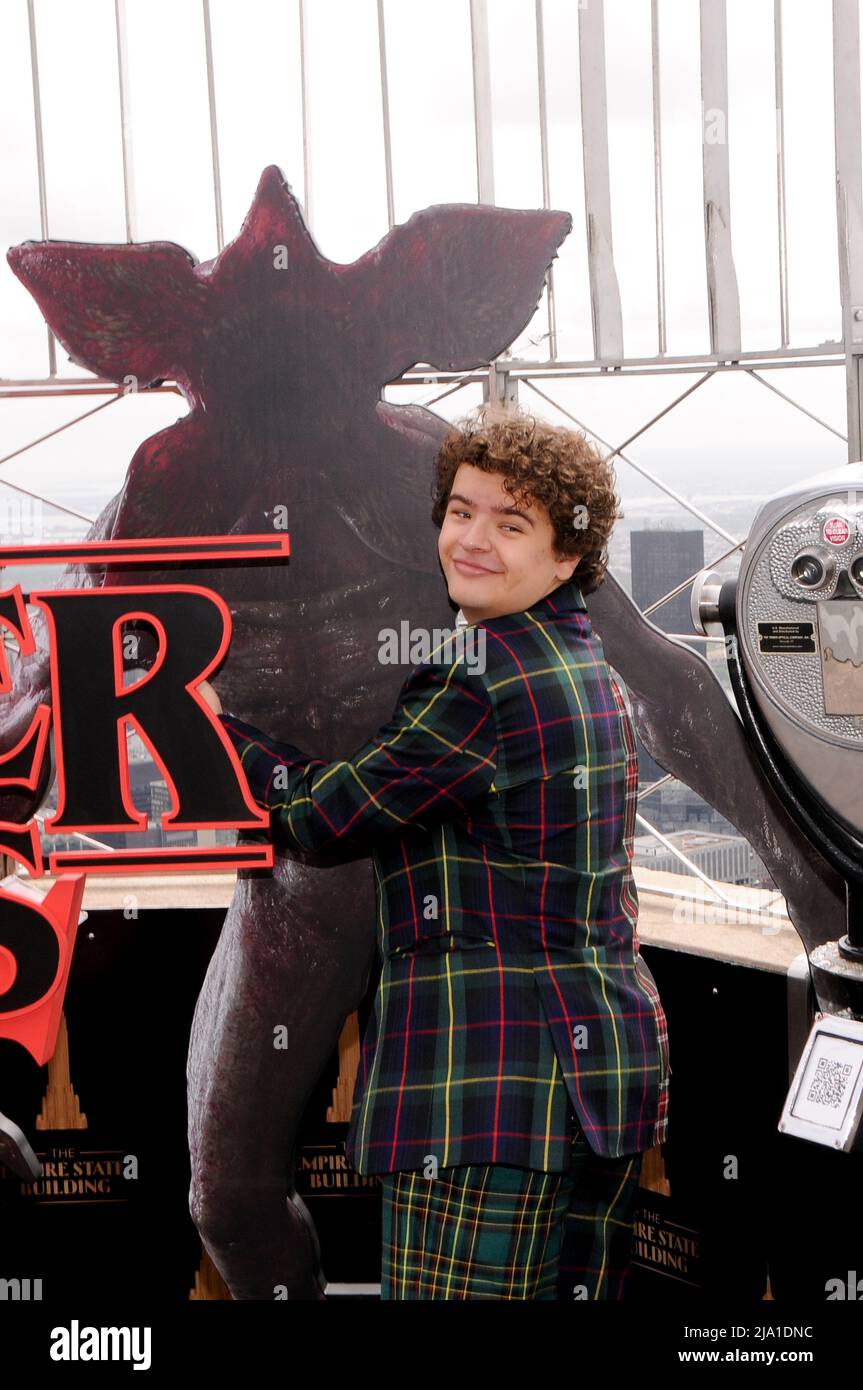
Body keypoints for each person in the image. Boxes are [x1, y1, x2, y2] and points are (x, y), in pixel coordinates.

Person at [199, 403, 670, 1301]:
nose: (472, 539)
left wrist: (216, 735)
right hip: (600, 1078)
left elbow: (320, 819)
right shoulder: (582, 662)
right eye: (460, 511)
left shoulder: (481, 678)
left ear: (567, 555)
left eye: (511, 521)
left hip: (492, 1095)